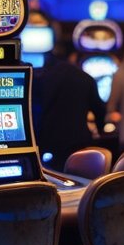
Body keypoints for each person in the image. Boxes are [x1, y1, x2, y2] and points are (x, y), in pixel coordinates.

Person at [33, 36, 107, 170]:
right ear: (73, 56)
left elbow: (33, 110)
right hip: (77, 142)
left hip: (47, 141)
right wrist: (101, 129)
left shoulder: (41, 77)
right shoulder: (85, 78)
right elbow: (100, 111)